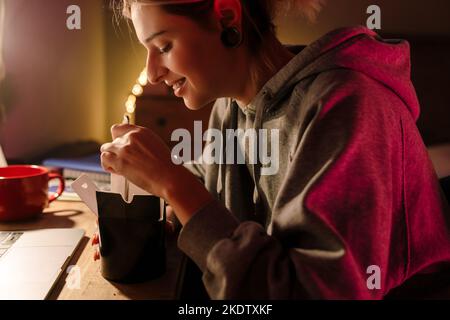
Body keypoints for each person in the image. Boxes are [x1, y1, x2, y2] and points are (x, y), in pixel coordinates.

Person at [93, 0, 450, 299]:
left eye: (164, 46)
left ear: (227, 16)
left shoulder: (348, 105)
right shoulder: (230, 107)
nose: (152, 73)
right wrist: (159, 213)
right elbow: (209, 183)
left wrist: (174, 185)